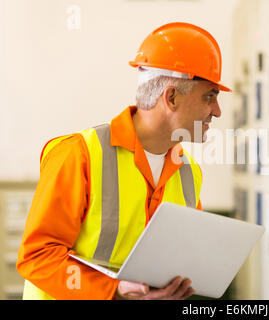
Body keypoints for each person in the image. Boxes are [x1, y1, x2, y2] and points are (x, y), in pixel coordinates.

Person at [16, 22, 231, 300]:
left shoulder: (189, 171)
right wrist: (113, 292)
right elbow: (37, 257)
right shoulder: (78, 154)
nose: (217, 111)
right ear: (172, 97)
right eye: (210, 96)